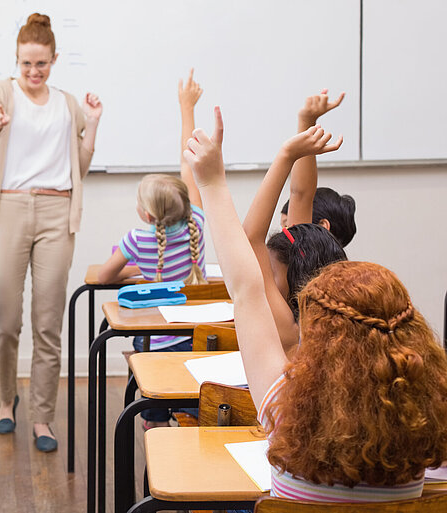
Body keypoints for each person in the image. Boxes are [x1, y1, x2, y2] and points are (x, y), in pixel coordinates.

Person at [184, 105, 447, 502]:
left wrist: (213, 183)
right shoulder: (427, 426)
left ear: (317, 322)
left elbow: (246, 289)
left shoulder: (285, 412)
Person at [0, 12, 101, 451]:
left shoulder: (68, 105)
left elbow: (80, 167)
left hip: (57, 209)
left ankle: (43, 418)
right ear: (16, 60)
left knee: (49, 322)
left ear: (54, 60)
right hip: (9, 207)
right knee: (6, 317)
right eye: (26, 64)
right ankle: (6, 402)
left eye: (41, 64)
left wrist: (93, 124)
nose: (33, 73)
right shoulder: (1, 93)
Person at [96, 70, 208, 428]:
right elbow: (189, 163)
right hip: (195, 344)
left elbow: (104, 276)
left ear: (146, 213)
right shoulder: (199, 224)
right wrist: (187, 109)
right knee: (191, 409)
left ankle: (156, 452)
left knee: (152, 416)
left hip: (155, 349)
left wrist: (137, 272)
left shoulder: (137, 240)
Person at [242, 115, 346, 353]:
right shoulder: (333, 322)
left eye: (270, 271)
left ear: (298, 283)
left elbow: (250, 237)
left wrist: (286, 155)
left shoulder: (289, 331)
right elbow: (300, 195)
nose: (262, 273)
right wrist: (307, 122)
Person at [278, 89, 357, 247]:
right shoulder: (343, 270)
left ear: (322, 227)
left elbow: (301, 194)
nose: (282, 235)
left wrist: (306, 123)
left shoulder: (302, 259)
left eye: (287, 226)